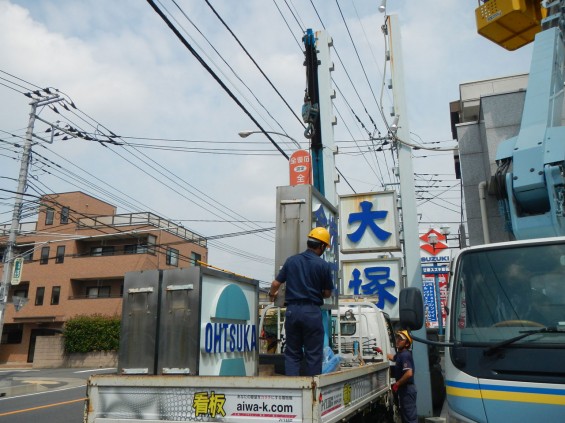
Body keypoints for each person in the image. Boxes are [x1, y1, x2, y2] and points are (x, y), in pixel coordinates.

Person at [269, 227, 334, 376]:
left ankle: (293, 389)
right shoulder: (323, 265)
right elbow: (327, 293)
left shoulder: (291, 261)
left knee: (292, 353)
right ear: (322, 246)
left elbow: (275, 284)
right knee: (313, 354)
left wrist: (272, 295)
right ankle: (311, 392)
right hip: (311, 311)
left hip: (292, 311)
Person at [387, 330, 417, 423]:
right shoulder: (400, 354)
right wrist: (381, 351)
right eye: (397, 338)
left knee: (409, 417)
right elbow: (393, 358)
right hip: (404, 389)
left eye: (401, 339)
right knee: (405, 416)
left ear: (407, 344)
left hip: (407, 389)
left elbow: (409, 373)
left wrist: (397, 384)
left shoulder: (405, 355)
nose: (398, 340)